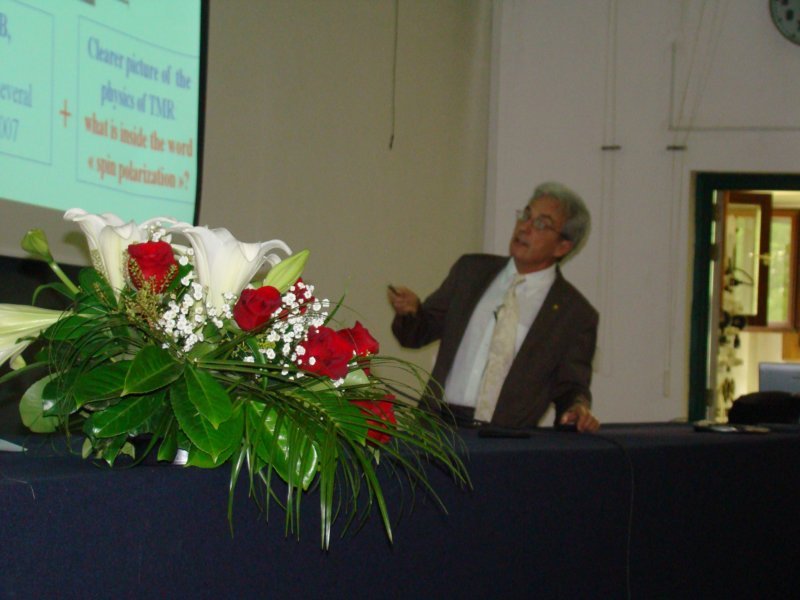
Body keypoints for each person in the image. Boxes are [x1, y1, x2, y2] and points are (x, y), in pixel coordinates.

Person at [388, 182, 600, 432]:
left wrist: (577, 408)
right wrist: (410, 313)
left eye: (541, 224)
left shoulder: (575, 314)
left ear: (562, 246)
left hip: (504, 438)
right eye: (526, 215)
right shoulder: (471, 272)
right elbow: (415, 335)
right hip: (435, 429)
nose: (524, 227)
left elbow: (571, 387)